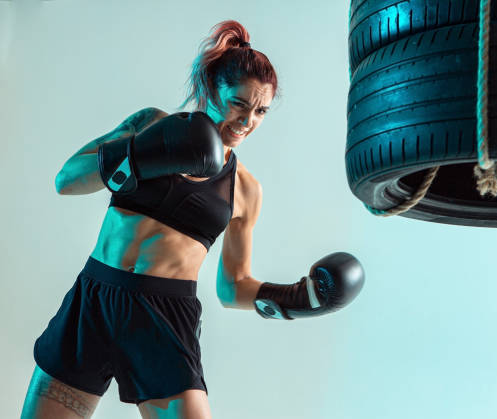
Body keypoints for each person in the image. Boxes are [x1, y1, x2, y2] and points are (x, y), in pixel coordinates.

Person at [20, 20, 365, 419]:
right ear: (213, 88)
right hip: (94, 298)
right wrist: (140, 153)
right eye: (239, 103)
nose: (247, 121)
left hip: (164, 319)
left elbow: (232, 287)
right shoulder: (150, 124)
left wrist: (295, 299)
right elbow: (67, 180)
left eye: (261, 111)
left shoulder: (246, 190)